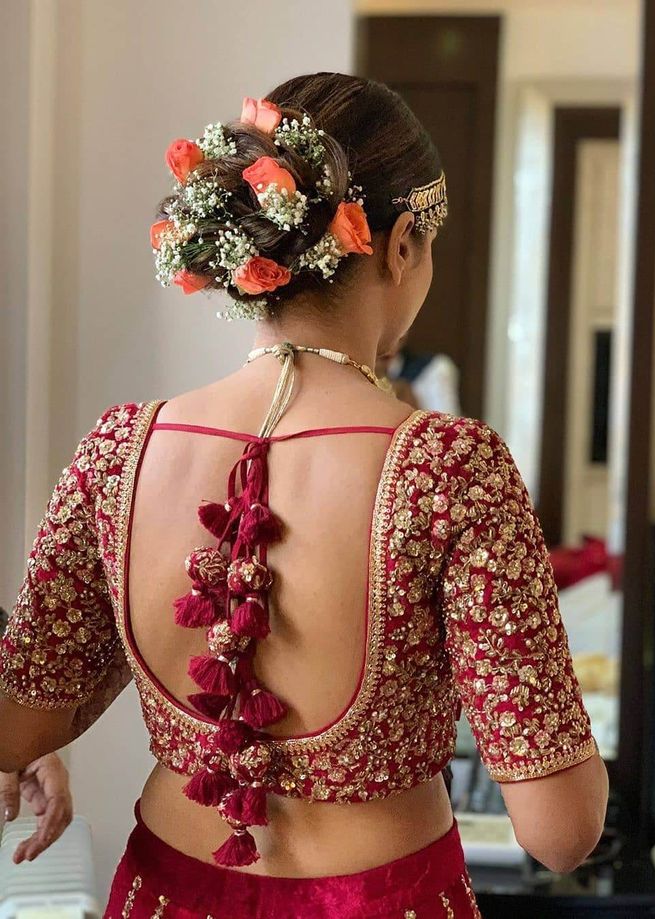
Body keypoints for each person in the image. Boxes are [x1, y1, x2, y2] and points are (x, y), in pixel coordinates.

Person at [0, 73, 608, 917]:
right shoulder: (449, 469)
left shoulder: (120, 452)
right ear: (401, 246)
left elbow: (19, 726)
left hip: (169, 893)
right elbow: (560, 830)